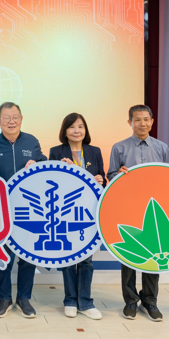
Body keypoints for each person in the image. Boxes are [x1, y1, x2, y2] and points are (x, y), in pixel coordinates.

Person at [107, 104, 169, 322]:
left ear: (152, 121)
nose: (142, 124)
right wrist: (119, 175)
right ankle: (130, 301)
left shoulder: (162, 148)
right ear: (130, 123)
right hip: (129, 209)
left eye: (146, 119)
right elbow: (111, 176)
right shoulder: (119, 148)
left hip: (155, 210)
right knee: (130, 254)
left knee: (155, 254)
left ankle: (150, 301)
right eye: (137, 120)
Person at [0, 102, 47, 319]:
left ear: (21, 119)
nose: (11, 121)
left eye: (15, 117)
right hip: (0, 209)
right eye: (6, 118)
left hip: (29, 208)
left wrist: (37, 164)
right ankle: (4, 298)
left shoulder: (31, 141)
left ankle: (24, 299)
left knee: (28, 255)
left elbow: (44, 165)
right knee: (2, 256)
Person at [49, 113, 106, 321]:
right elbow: (51, 181)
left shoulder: (94, 151)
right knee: (68, 258)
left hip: (88, 212)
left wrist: (100, 179)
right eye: (72, 127)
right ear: (65, 131)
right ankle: (70, 300)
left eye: (80, 126)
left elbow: (102, 178)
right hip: (64, 212)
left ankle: (86, 302)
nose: (76, 130)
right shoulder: (56, 152)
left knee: (86, 260)